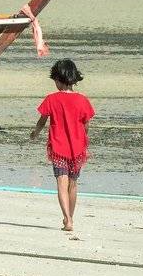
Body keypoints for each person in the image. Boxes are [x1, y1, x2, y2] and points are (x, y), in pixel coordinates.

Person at [29, 58, 95, 233]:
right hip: (78, 148)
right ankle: (70, 218)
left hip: (58, 148)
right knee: (73, 184)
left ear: (58, 79)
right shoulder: (82, 100)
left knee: (61, 182)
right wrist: (83, 139)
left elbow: (42, 121)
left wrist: (35, 133)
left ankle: (67, 219)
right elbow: (86, 125)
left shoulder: (51, 99)